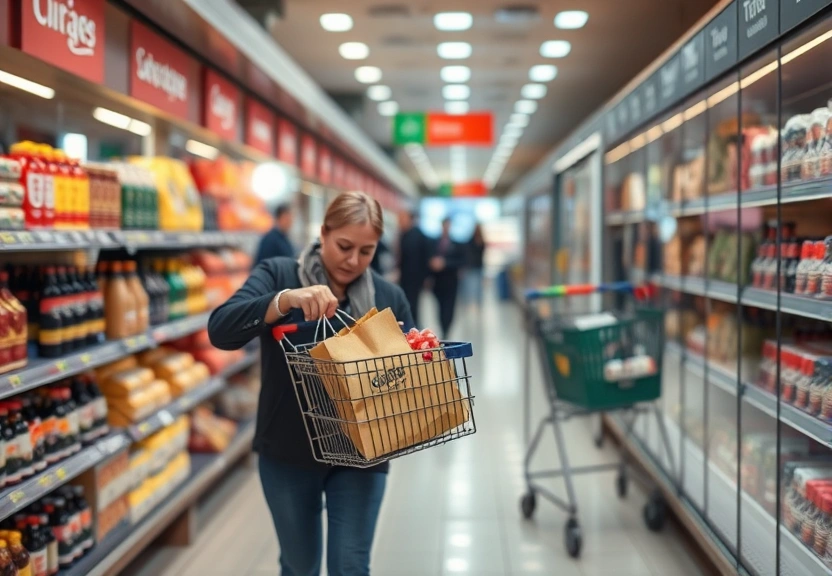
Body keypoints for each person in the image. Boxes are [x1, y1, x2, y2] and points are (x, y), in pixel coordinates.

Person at [207, 192, 413, 576]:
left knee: (350, 566)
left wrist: (415, 356)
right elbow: (221, 330)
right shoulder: (279, 274)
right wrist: (284, 301)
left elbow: (404, 387)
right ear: (323, 233)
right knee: (300, 566)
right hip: (288, 450)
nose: (353, 261)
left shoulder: (388, 298)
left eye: (366, 251)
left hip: (364, 454)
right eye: (344, 246)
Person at [431, 217, 465, 339]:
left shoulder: (456, 244)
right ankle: (442, 326)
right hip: (438, 282)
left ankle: (446, 329)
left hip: (451, 281)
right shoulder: (434, 243)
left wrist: (445, 263)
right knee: (440, 307)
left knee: (449, 308)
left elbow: (461, 261)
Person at [397, 210, 432, 327]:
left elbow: (425, 258)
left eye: (402, 218)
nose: (400, 222)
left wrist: (426, 277)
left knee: (413, 305)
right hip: (405, 277)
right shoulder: (403, 234)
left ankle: (413, 327)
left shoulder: (418, 235)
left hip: (415, 278)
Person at [465, 224, 486, 307]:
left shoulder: (481, 241)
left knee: (479, 288)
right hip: (472, 267)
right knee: (471, 286)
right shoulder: (471, 241)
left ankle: (478, 302)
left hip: (479, 266)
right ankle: (470, 302)